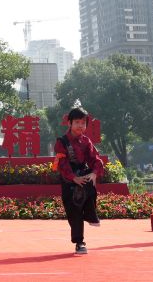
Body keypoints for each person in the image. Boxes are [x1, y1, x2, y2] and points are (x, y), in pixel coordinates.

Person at [54, 106, 104, 256]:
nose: (80, 126)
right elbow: (62, 164)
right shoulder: (62, 142)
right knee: (74, 211)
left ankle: (91, 216)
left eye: (83, 123)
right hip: (69, 180)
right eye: (77, 122)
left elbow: (95, 159)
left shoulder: (86, 141)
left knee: (90, 186)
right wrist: (73, 178)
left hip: (83, 176)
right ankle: (79, 242)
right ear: (69, 123)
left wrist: (94, 173)